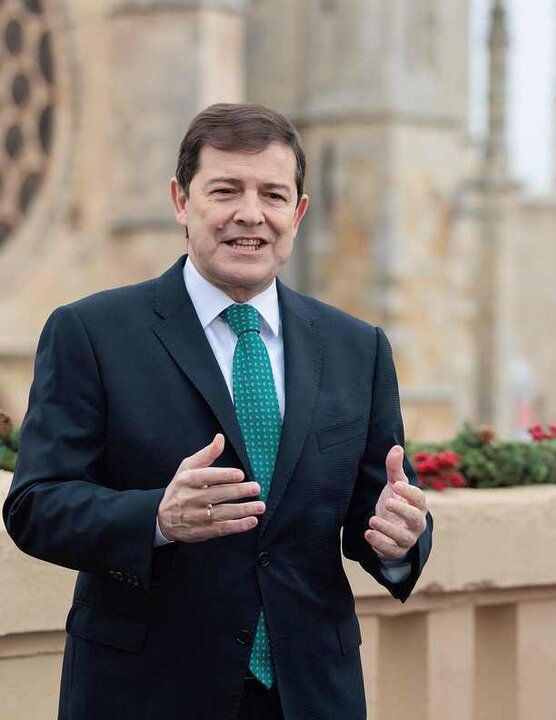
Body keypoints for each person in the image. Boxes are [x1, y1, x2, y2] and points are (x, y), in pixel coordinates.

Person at [2, 103, 433, 720]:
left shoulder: (357, 348)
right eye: (225, 190)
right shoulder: (90, 333)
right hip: (144, 694)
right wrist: (158, 516)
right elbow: (34, 505)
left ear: (298, 212)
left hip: (311, 694)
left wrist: (400, 538)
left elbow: (378, 507)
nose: (249, 214)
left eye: (273, 195)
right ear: (182, 201)